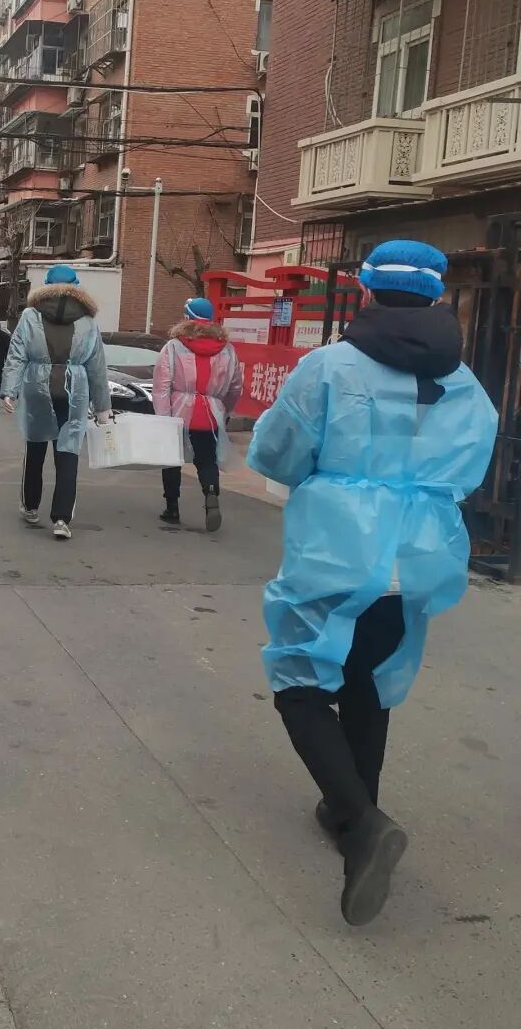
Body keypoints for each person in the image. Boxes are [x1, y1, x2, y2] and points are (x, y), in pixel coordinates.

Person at [247, 240, 498, 926]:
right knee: (370, 681)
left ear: (364, 290)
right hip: (417, 556)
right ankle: (352, 809)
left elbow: (278, 452)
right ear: (438, 296)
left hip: (338, 548)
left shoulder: (331, 365)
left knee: (299, 683)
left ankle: (361, 823)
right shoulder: (465, 382)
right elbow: (472, 467)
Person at [1, 264, 111, 540]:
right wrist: (102, 407)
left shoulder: (31, 315)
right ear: (76, 287)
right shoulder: (87, 320)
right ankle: (62, 518)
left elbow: (17, 355)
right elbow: (97, 366)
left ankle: (30, 506)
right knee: (68, 451)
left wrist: (9, 391)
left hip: (38, 387)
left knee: (35, 448)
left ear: (47, 286)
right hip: (75, 389)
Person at [152, 296, 242, 532]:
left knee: (172, 459)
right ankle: (211, 495)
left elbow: (162, 384)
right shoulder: (227, 349)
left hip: (179, 410)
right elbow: (235, 387)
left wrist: (163, 417)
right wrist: (224, 410)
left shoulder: (174, 346)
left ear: (187, 317)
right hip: (211, 413)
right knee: (207, 460)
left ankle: (172, 507)